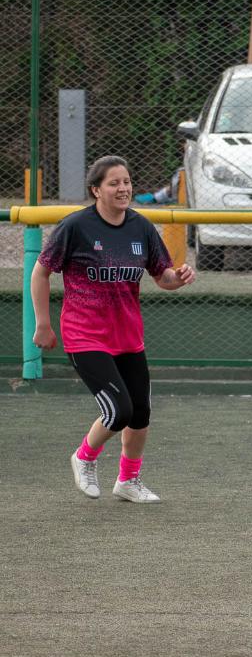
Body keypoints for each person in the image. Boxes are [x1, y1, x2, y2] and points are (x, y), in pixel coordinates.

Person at [31, 156, 196, 503]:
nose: (123, 189)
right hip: (84, 334)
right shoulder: (75, 227)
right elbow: (41, 272)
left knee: (140, 414)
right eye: (114, 183)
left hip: (128, 337)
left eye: (127, 182)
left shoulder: (141, 228)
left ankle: (128, 481)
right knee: (118, 411)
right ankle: (84, 457)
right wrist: (43, 323)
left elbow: (161, 276)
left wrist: (178, 278)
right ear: (96, 190)